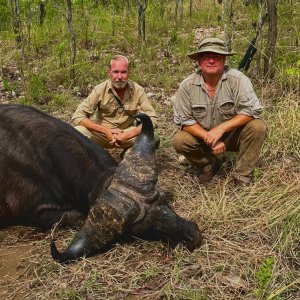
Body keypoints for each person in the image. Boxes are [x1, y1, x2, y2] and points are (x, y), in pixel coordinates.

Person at [172, 37, 267, 184]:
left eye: (216, 56)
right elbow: (185, 121)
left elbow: (251, 110)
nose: (211, 61)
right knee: (180, 139)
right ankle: (208, 165)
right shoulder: (187, 85)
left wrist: (221, 129)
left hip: (232, 136)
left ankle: (241, 175)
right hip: (203, 138)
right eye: (206, 56)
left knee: (258, 127)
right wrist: (209, 138)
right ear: (198, 61)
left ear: (223, 59)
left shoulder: (238, 79)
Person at [72, 55, 159, 153]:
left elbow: (153, 120)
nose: (120, 77)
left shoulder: (137, 90)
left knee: (153, 137)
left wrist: (128, 135)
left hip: (126, 133)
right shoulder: (99, 89)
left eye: (123, 72)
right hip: (101, 134)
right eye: (116, 72)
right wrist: (105, 131)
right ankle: (93, 155)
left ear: (129, 73)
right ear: (109, 72)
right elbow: (78, 116)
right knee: (77, 132)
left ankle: (130, 154)